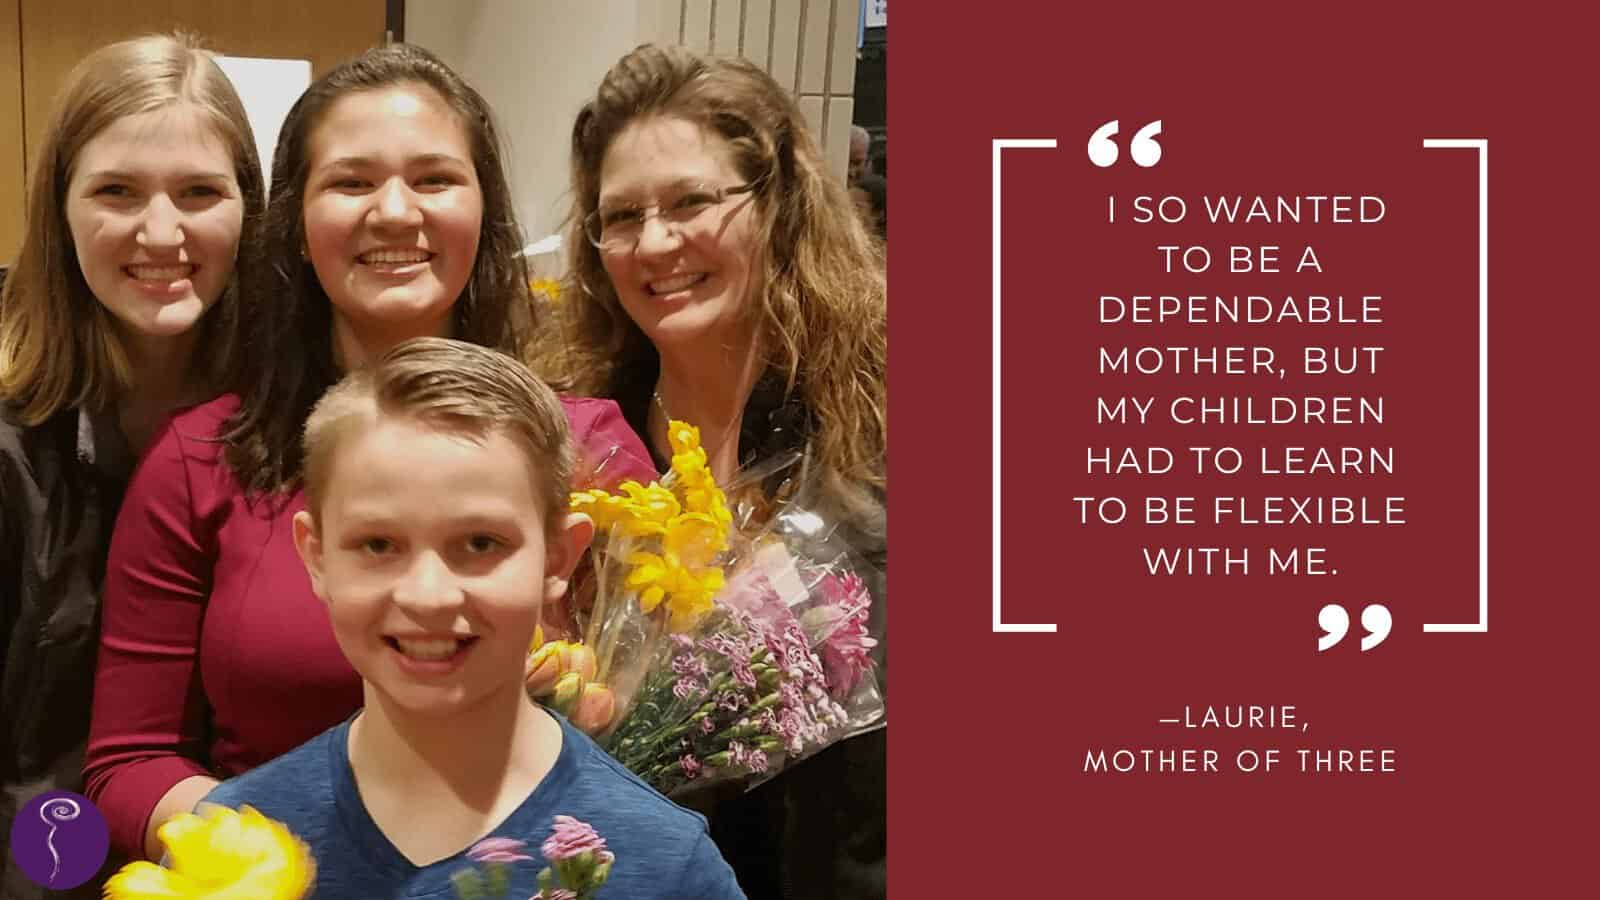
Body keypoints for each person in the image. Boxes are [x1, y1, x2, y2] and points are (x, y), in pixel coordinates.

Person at [83, 44, 655, 863]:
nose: (393, 212)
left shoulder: (591, 455)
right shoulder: (202, 457)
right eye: (350, 182)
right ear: (297, 221)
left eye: (433, 179)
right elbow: (128, 763)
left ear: (483, 211)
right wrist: (291, 857)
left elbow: (668, 725)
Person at [200, 337, 744, 899]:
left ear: (558, 558)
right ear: (317, 557)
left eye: (481, 543)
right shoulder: (225, 852)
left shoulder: (664, 866)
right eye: (379, 543)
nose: (429, 595)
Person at [552, 44, 887, 900]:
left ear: (776, 204)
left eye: (692, 201)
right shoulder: (582, 442)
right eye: (621, 216)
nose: (655, 242)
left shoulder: (880, 432)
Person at [0, 34, 264, 898]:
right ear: (61, 209)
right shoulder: (11, 449)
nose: (162, 231)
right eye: (116, 190)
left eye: (199, 192)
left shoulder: (290, 427)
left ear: (250, 211)